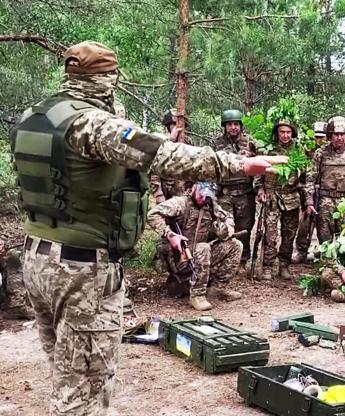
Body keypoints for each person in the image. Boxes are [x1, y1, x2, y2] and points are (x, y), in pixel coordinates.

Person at [10, 41, 284, 415]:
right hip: (81, 270)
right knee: (84, 389)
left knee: (64, 371)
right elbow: (163, 155)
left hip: (38, 259)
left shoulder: (35, 115)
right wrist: (239, 165)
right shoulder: (92, 123)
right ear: (108, 80)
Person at [147, 182, 243, 310]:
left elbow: (227, 217)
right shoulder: (180, 203)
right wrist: (169, 234)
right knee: (203, 247)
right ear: (193, 189)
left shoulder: (210, 205)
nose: (203, 199)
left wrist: (228, 226)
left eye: (207, 196)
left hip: (199, 253)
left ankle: (217, 288)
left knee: (235, 245)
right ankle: (197, 295)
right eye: (201, 195)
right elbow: (152, 214)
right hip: (178, 256)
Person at [255, 119, 307, 280]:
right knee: (270, 234)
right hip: (272, 195)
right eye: (282, 132)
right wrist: (260, 189)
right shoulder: (268, 149)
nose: (285, 135)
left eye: (288, 132)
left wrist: (306, 197)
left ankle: (284, 264)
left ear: (293, 133)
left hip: (291, 196)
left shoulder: (298, 150)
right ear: (277, 133)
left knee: (289, 233)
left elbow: (305, 175)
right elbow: (258, 170)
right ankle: (268, 266)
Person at [306, 116, 345, 243]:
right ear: (330, 135)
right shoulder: (320, 153)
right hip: (324, 202)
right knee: (324, 239)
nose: (339, 138)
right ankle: (326, 261)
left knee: (344, 239)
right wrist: (309, 201)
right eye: (336, 134)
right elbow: (311, 178)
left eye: (342, 134)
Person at [213, 109, 258, 265]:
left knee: (245, 228)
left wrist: (259, 189)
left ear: (240, 126)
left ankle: (243, 259)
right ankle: (227, 260)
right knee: (225, 228)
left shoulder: (250, 142)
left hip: (245, 192)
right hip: (225, 193)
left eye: (236, 124)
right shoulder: (217, 143)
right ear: (225, 126)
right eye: (229, 124)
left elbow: (259, 167)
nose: (233, 127)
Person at [293, 121, 328, 263]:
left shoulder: (329, 152)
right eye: (317, 137)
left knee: (324, 225)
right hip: (307, 191)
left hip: (325, 193)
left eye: (323, 137)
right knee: (305, 223)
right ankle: (301, 250)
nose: (319, 140)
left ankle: (324, 252)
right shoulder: (305, 151)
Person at [150, 108, 192, 204]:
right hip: (166, 190)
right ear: (168, 126)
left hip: (183, 191)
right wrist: (158, 193)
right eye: (174, 124)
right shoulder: (162, 141)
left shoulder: (188, 142)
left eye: (181, 124)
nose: (177, 127)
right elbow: (154, 170)